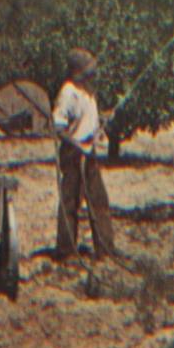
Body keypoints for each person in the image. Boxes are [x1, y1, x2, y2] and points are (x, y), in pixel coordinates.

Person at [52, 47, 116, 260]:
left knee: (98, 201)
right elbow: (58, 128)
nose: (93, 72)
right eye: (88, 68)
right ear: (77, 71)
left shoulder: (88, 91)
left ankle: (105, 249)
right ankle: (65, 251)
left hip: (89, 154)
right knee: (70, 202)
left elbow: (89, 120)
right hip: (73, 154)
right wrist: (76, 145)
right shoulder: (67, 93)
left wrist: (104, 119)